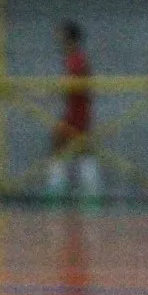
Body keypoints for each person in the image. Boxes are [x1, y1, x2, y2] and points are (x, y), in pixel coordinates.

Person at [47, 21, 99, 198]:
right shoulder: (73, 59)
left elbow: (71, 84)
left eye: (61, 35)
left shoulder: (77, 60)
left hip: (78, 112)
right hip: (74, 110)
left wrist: (50, 91)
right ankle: (79, 186)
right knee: (69, 146)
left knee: (68, 145)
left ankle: (58, 188)